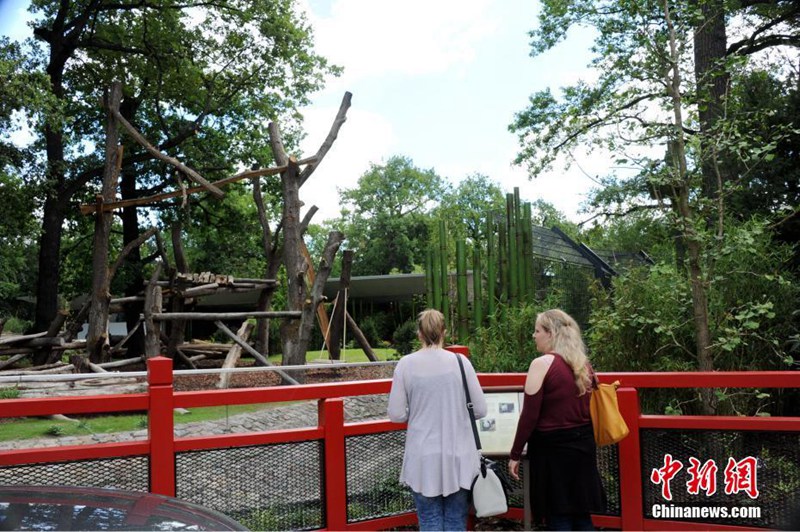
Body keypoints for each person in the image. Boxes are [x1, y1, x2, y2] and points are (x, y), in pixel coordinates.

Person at [387, 309, 487, 531]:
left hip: (423, 456)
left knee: (429, 518)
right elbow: (480, 409)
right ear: (444, 332)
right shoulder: (461, 362)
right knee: (455, 518)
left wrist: (418, 413)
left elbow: (396, 414)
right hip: (458, 455)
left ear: (419, 334)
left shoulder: (406, 364)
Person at [507, 309, 605, 531]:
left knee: (558, 513)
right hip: (583, 447)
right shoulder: (583, 365)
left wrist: (515, 454)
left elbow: (529, 416)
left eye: (537, 330)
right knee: (581, 514)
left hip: (552, 451)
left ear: (551, 333)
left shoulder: (541, 364)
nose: (534, 335)